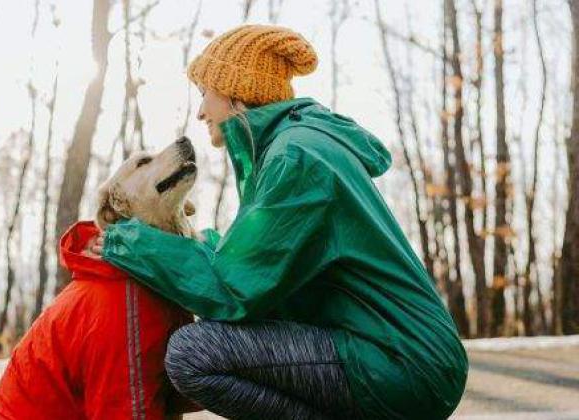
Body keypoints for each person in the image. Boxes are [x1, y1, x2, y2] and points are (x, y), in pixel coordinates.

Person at [88, 24, 468, 419]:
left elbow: (233, 291)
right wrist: (196, 243)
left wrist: (130, 244)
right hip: (393, 351)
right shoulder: (295, 146)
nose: (200, 111)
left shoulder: (296, 158)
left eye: (205, 93)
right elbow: (258, 264)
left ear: (237, 89)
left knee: (193, 353)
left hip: (399, 361)